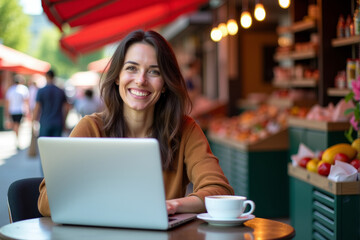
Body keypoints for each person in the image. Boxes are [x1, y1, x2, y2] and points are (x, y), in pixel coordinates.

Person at [38, 30, 234, 216]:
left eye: (154, 72)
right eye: (131, 68)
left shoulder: (185, 129)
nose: (141, 80)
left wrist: (172, 205)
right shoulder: (91, 128)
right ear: (117, 77)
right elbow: (46, 201)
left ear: (165, 84)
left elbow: (219, 192)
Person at [32, 69, 69, 137]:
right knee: (56, 145)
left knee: (44, 146)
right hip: (58, 122)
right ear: (54, 77)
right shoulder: (60, 91)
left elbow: (37, 107)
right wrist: (64, 121)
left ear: (46, 77)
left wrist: (33, 121)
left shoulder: (41, 91)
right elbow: (67, 108)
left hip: (45, 122)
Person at [5, 75, 29, 150]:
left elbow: (8, 102)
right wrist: (27, 111)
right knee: (17, 126)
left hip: (13, 110)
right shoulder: (23, 89)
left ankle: (17, 139)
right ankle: (17, 140)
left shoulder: (10, 90)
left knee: (15, 126)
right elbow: (26, 101)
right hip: (20, 110)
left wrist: (7, 112)